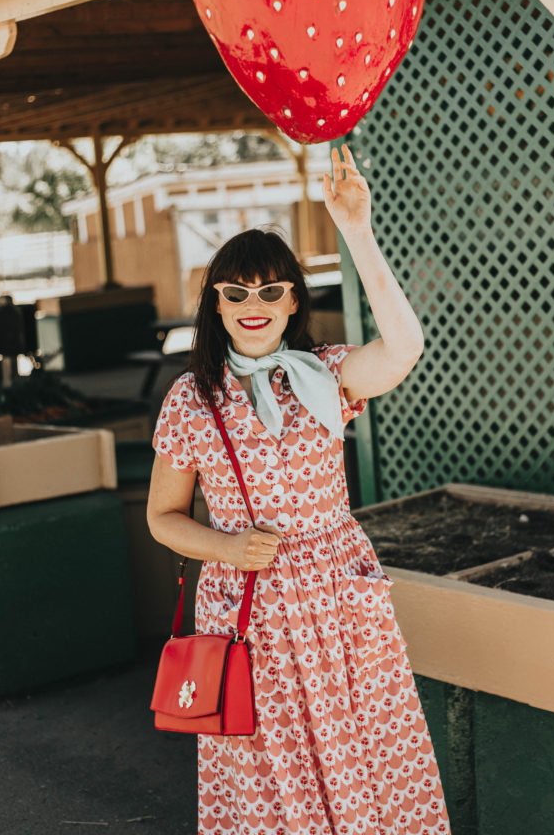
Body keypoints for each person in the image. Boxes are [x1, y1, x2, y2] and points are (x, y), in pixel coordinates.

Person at [147, 143, 451, 835]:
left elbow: (404, 348)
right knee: (270, 765)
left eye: (271, 291)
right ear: (215, 305)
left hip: (340, 590)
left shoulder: (325, 374)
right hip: (250, 605)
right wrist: (224, 544)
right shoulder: (192, 399)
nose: (254, 306)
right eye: (235, 292)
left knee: (371, 749)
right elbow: (163, 516)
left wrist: (357, 230)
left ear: (292, 302)